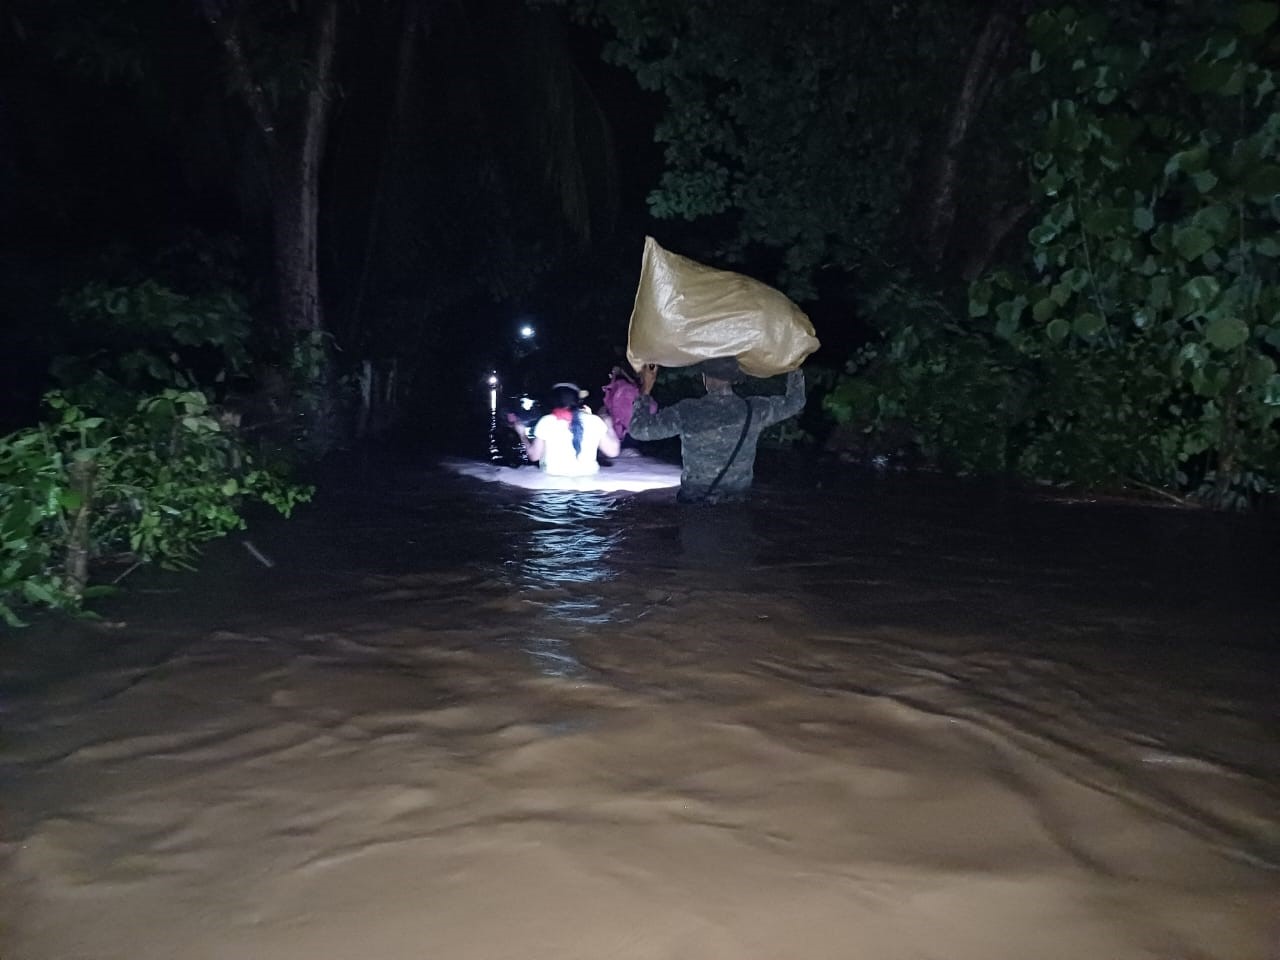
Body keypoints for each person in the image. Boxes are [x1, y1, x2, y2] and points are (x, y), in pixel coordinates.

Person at [629, 357, 806, 504]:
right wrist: (794, 367)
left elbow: (639, 430)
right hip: (738, 505)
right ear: (733, 379)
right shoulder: (754, 410)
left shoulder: (687, 411)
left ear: (705, 378)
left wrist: (645, 389)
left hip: (695, 506)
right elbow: (795, 401)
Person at [507, 382, 620, 477]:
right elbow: (613, 452)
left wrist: (522, 434)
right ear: (577, 401)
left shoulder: (546, 421)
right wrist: (607, 423)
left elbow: (533, 456)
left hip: (552, 487)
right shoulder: (594, 421)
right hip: (589, 484)